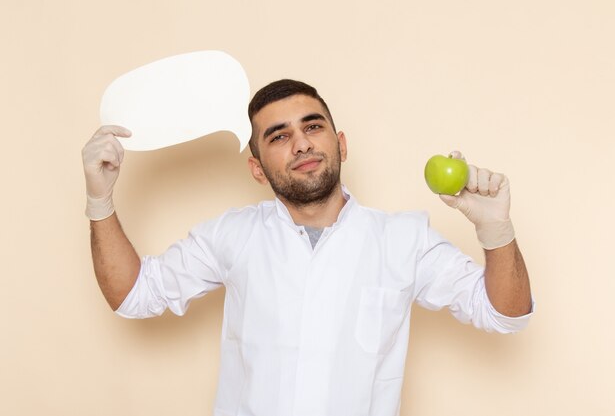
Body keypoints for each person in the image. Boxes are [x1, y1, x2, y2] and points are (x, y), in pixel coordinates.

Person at [82, 79, 532, 416]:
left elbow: (503, 315)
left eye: (312, 126)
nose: (301, 144)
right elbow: (134, 294)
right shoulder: (231, 235)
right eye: (278, 136)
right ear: (257, 169)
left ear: (340, 145)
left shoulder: (404, 240)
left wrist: (497, 229)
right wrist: (100, 198)